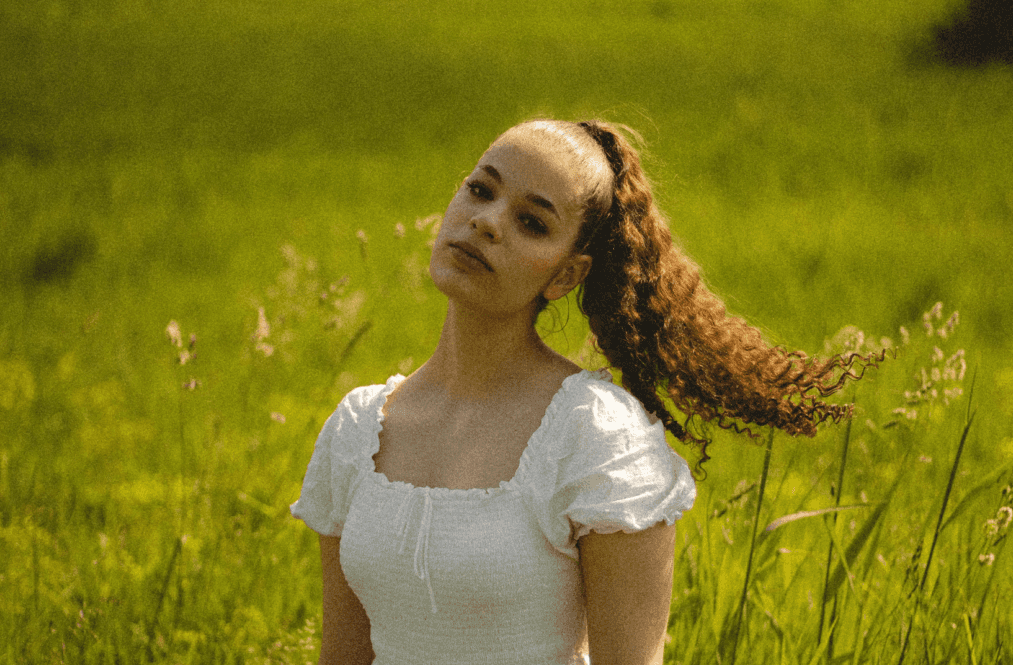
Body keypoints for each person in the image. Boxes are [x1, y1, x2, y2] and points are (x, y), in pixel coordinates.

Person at [290, 119, 880, 665]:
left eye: (532, 222)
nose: (488, 221)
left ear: (566, 274)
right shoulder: (359, 428)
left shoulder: (596, 437)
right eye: (480, 190)